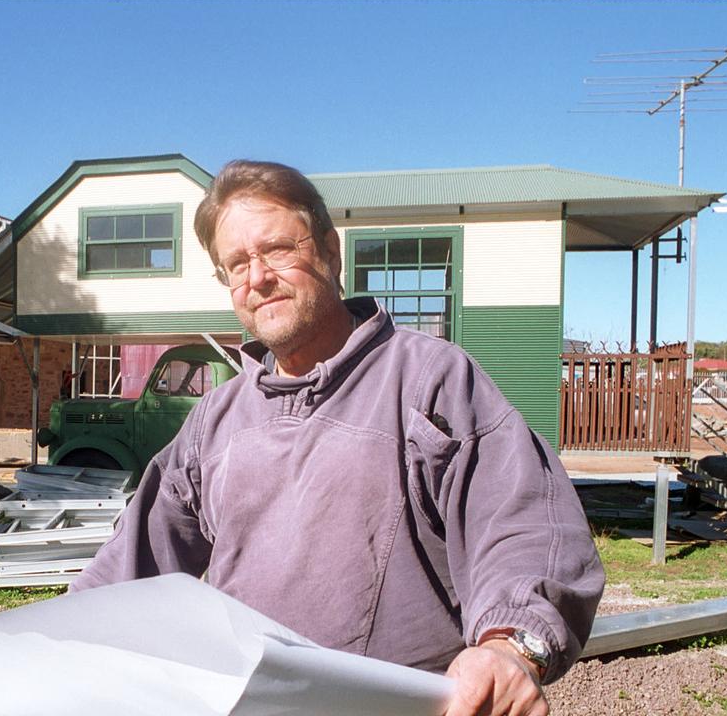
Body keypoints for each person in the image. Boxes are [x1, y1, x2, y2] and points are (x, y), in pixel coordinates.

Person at [70, 160, 604, 715]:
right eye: (236, 264)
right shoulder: (216, 418)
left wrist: (511, 648)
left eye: (277, 249)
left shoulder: (431, 382)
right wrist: (59, 640)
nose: (257, 278)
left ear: (330, 250)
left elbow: (520, 526)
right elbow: (134, 559)